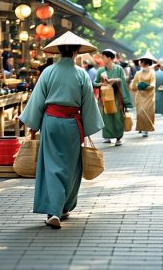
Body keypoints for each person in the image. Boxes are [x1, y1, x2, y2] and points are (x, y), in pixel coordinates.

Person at [18, 31, 104, 229]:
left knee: (52, 165)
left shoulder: (48, 72)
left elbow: (38, 100)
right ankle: (62, 208)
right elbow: (89, 104)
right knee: (71, 166)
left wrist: (31, 122)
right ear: (76, 52)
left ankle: (54, 211)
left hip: (51, 122)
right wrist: (89, 127)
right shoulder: (81, 74)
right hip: (73, 124)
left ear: (58, 52)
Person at [94, 49, 132, 146]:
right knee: (107, 117)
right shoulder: (101, 70)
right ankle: (108, 136)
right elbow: (94, 83)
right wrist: (101, 83)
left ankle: (119, 138)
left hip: (116, 97)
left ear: (109, 58)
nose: (102, 58)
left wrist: (115, 80)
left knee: (117, 117)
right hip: (106, 98)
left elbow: (123, 81)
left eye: (103, 57)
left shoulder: (118, 69)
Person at [130, 51, 157, 137]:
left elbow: (153, 85)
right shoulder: (138, 73)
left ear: (145, 62)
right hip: (140, 96)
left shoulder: (152, 73)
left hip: (149, 96)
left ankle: (146, 129)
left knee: (147, 112)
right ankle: (141, 127)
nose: (140, 63)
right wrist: (137, 86)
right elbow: (134, 85)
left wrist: (144, 86)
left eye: (141, 61)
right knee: (140, 112)